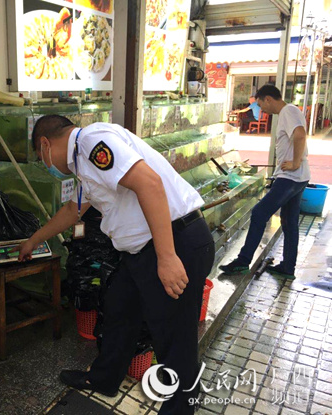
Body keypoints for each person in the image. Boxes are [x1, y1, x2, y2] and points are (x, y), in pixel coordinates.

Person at [17, 115, 215, 414]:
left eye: (40, 157)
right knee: (119, 310)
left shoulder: (92, 142)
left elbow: (149, 184)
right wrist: (34, 240)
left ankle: (181, 406)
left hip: (173, 243)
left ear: (45, 144)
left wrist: (167, 257)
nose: (45, 164)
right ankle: (104, 378)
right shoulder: (83, 163)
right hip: (142, 252)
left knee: (174, 340)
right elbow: (73, 210)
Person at [220, 85, 310, 279]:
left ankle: (243, 262)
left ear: (268, 99)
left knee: (259, 213)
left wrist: (295, 162)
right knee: (289, 222)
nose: (262, 110)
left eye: (261, 104)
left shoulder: (287, 111)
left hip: (291, 177)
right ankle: (287, 267)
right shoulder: (292, 111)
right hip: (299, 177)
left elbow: (300, 135)